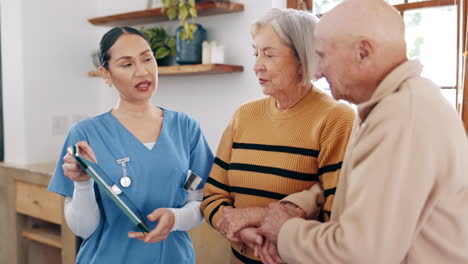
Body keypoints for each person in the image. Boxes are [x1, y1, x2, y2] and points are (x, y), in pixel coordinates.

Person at [257, 1, 468, 263]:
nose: (318, 71)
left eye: (323, 56)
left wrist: (286, 232)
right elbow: (358, 187)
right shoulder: (385, 106)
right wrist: (304, 202)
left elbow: (360, 254)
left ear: (363, 52)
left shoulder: (402, 117)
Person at [200, 8, 355, 264]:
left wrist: (258, 216)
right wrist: (242, 232)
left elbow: (336, 210)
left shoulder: (337, 118)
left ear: (303, 59)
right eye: (256, 53)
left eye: (269, 54)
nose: (257, 65)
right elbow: (213, 195)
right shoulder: (244, 116)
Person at [48, 27, 214, 264]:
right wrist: (83, 184)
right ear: (106, 74)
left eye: (147, 59)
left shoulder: (186, 129)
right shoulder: (85, 134)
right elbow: (83, 229)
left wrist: (175, 218)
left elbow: (199, 201)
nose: (142, 71)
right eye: (127, 65)